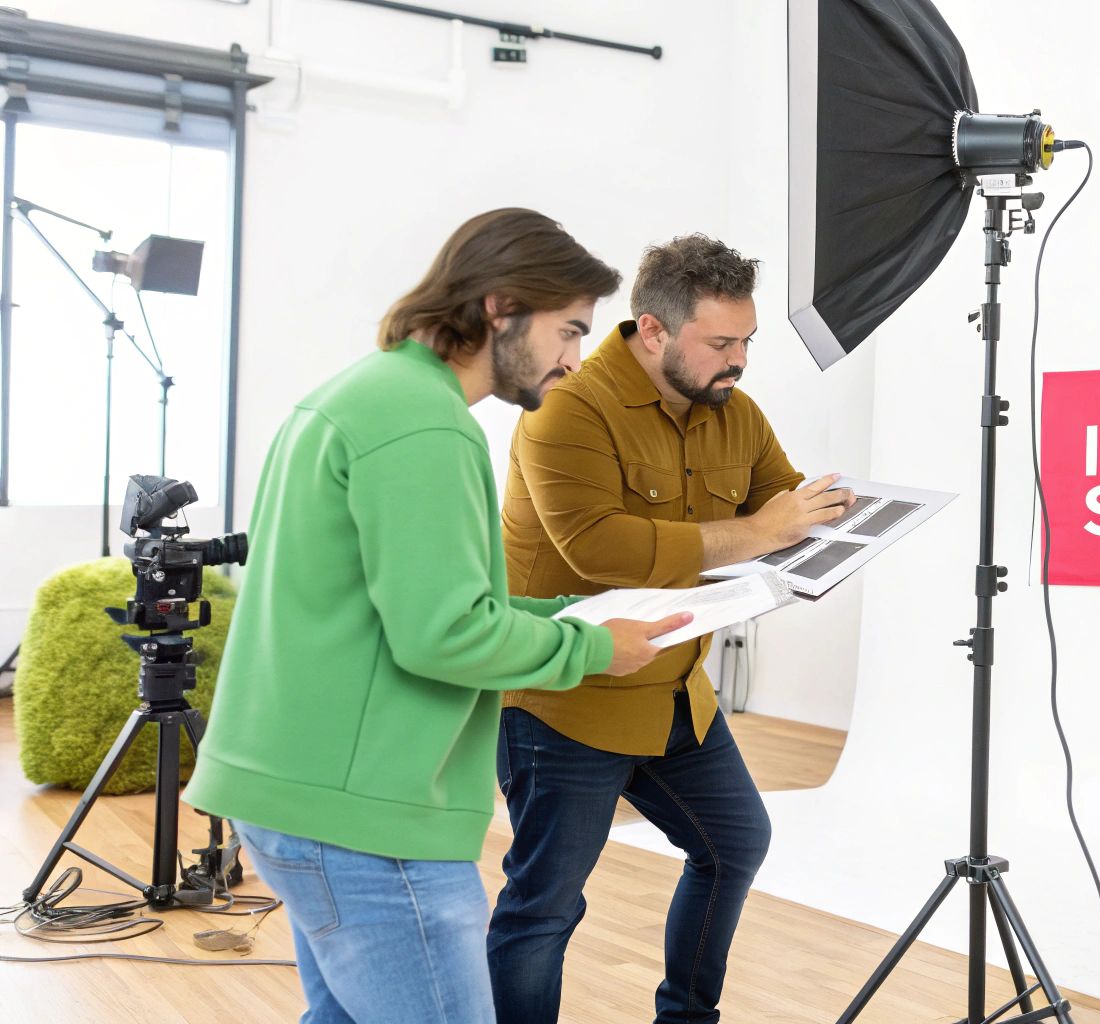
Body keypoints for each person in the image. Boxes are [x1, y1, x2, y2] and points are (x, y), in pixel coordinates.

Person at [184, 208, 691, 1024]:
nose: (576, 358)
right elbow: (444, 635)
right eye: (569, 330)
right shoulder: (426, 423)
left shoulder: (359, 394)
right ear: (499, 307)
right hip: (367, 823)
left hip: (298, 792)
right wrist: (589, 650)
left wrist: (573, 612)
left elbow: (407, 600)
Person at [487, 233, 853, 1024]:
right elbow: (600, 548)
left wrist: (840, 525)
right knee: (544, 906)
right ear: (653, 330)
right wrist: (760, 532)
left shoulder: (736, 412)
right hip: (569, 701)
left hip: (677, 695)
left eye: (746, 340)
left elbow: (784, 506)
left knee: (733, 846)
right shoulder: (564, 409)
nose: (740, 359)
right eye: (721, 342)